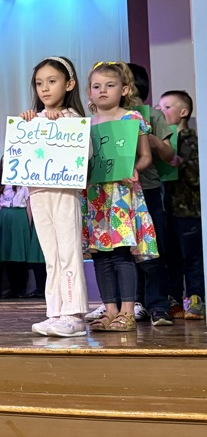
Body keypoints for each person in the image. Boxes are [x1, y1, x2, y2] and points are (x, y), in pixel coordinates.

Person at [83, 62, 157, 332]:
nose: (102, 91)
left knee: (122, 253)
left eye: (110, 85)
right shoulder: (86, 125)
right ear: (89, 92)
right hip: (96, 196)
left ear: (124, 89)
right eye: (96, 86)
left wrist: (133, 171)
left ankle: (127, 310)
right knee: (100, 255)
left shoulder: (132, 119)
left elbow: (146, 157)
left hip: (123, 196)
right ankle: (110, 310)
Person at [17, 56, 89, 338]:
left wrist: (59, 124)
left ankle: (74, 313)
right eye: (39, 83)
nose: (44, 89)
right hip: (39, 193)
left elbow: (85, 156)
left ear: (69, 84)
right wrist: (28, 124)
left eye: (52, 81)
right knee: (51, 255)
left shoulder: (73, 119)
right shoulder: (32, 120)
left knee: (68, 251)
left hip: (63, 193)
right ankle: (56, 311)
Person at [128, 63, 175, 327]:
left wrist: (148, 136)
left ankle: (158, 304)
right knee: (126, 251)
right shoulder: (109, 115)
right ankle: (135, 303)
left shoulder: (151, 116)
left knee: (151, 250)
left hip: (148, 188)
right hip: (119, 192)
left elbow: (169, 154)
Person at [158, 90, 205, 320]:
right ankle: (174, 300)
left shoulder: (192, 140)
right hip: (167, 211)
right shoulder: (164, 141)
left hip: (189, 210)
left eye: (167, 107)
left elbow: (197, 177)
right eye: (159, 107)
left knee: (193, 258)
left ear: (183, 112)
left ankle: (196, 298)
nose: (161, 111)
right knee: (171, 259)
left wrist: (178, 162)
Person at [0, 158, 33, 299]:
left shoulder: (24, 179)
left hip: (19, 215)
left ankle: (21, 289)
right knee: (6, 254)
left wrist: (28, 223)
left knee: (19, 254)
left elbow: (28, 204)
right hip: (4, 216)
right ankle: (10, 288)